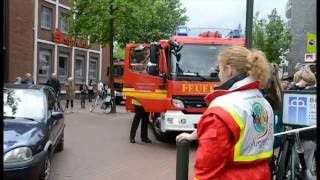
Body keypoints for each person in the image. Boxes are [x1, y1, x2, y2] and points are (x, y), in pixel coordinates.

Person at [176, 46, 274, 179]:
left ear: (229, 70)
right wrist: (198, 133)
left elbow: (207, 168)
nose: (218, 73)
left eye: (219, 68)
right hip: (260, 174)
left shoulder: (223, 107)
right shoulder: (261, 100)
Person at [288, 68, 316, 172]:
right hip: (311, 136)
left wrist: (297, 86)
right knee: (306, 165)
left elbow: (287, 97)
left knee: (298, 167)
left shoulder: (306, 92)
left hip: (303, 136)